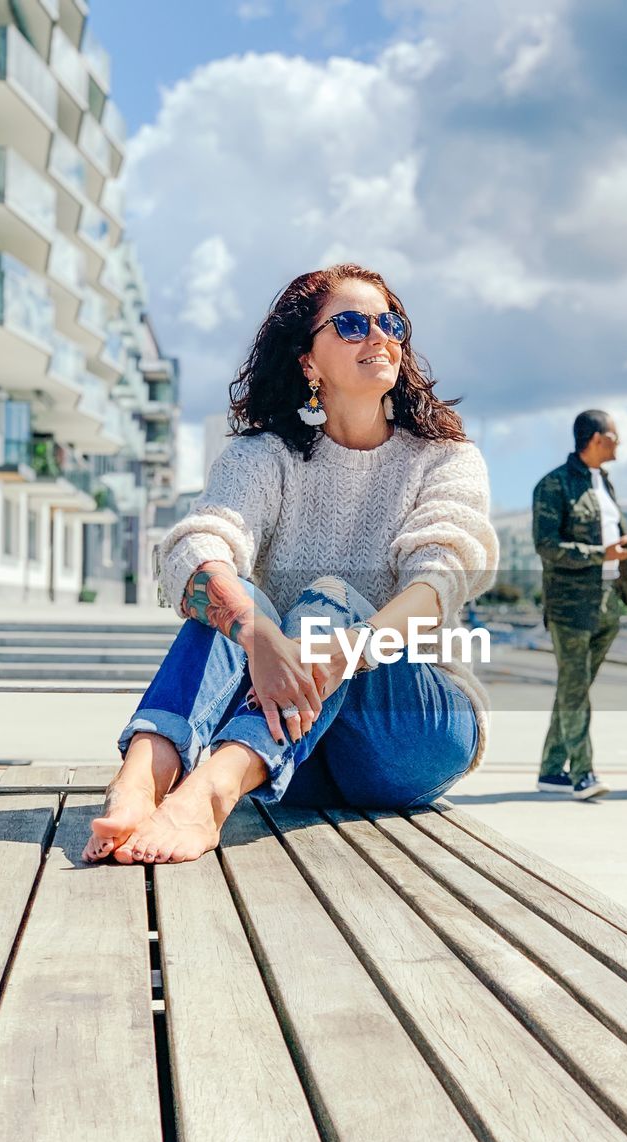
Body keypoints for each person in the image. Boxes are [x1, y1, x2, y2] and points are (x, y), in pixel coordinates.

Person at [82, 264, 498, 864]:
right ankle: (145, 772)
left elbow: (440, 581)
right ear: (308, 361)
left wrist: (342, 650)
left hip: (410, 735)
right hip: (292, 756)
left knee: (330, 601)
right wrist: (259, 637)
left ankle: (211, 790)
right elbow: (196, 546)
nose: (378, 336)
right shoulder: (262, 456)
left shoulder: (443, 458)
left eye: (391, 324)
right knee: (225, 595)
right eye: (352, 324)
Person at [532, 410, 627, 800]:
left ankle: (550, 770)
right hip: (571, 608)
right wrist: (599, 552)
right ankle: (583, 774)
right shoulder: (554, 486)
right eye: (615, 435)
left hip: (608, 604)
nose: (620, 442)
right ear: (597, 438)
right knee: (575, 689)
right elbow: (546, 546)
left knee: (574, 689)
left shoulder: (604, 483)